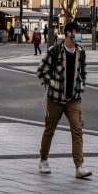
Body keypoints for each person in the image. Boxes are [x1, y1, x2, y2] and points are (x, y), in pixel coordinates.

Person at [36, 21, 91, 179]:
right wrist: (52, 83)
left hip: (74, 99)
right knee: (49, 130)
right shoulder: (56, 50)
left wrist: (81, 86)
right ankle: (43, 160)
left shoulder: (81, 52)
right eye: (76, 31)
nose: (78, 34)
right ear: (68, 33)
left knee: (77, 130)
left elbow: (83, 73)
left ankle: (79, 167)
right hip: (55, 99)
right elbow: (41, 70)